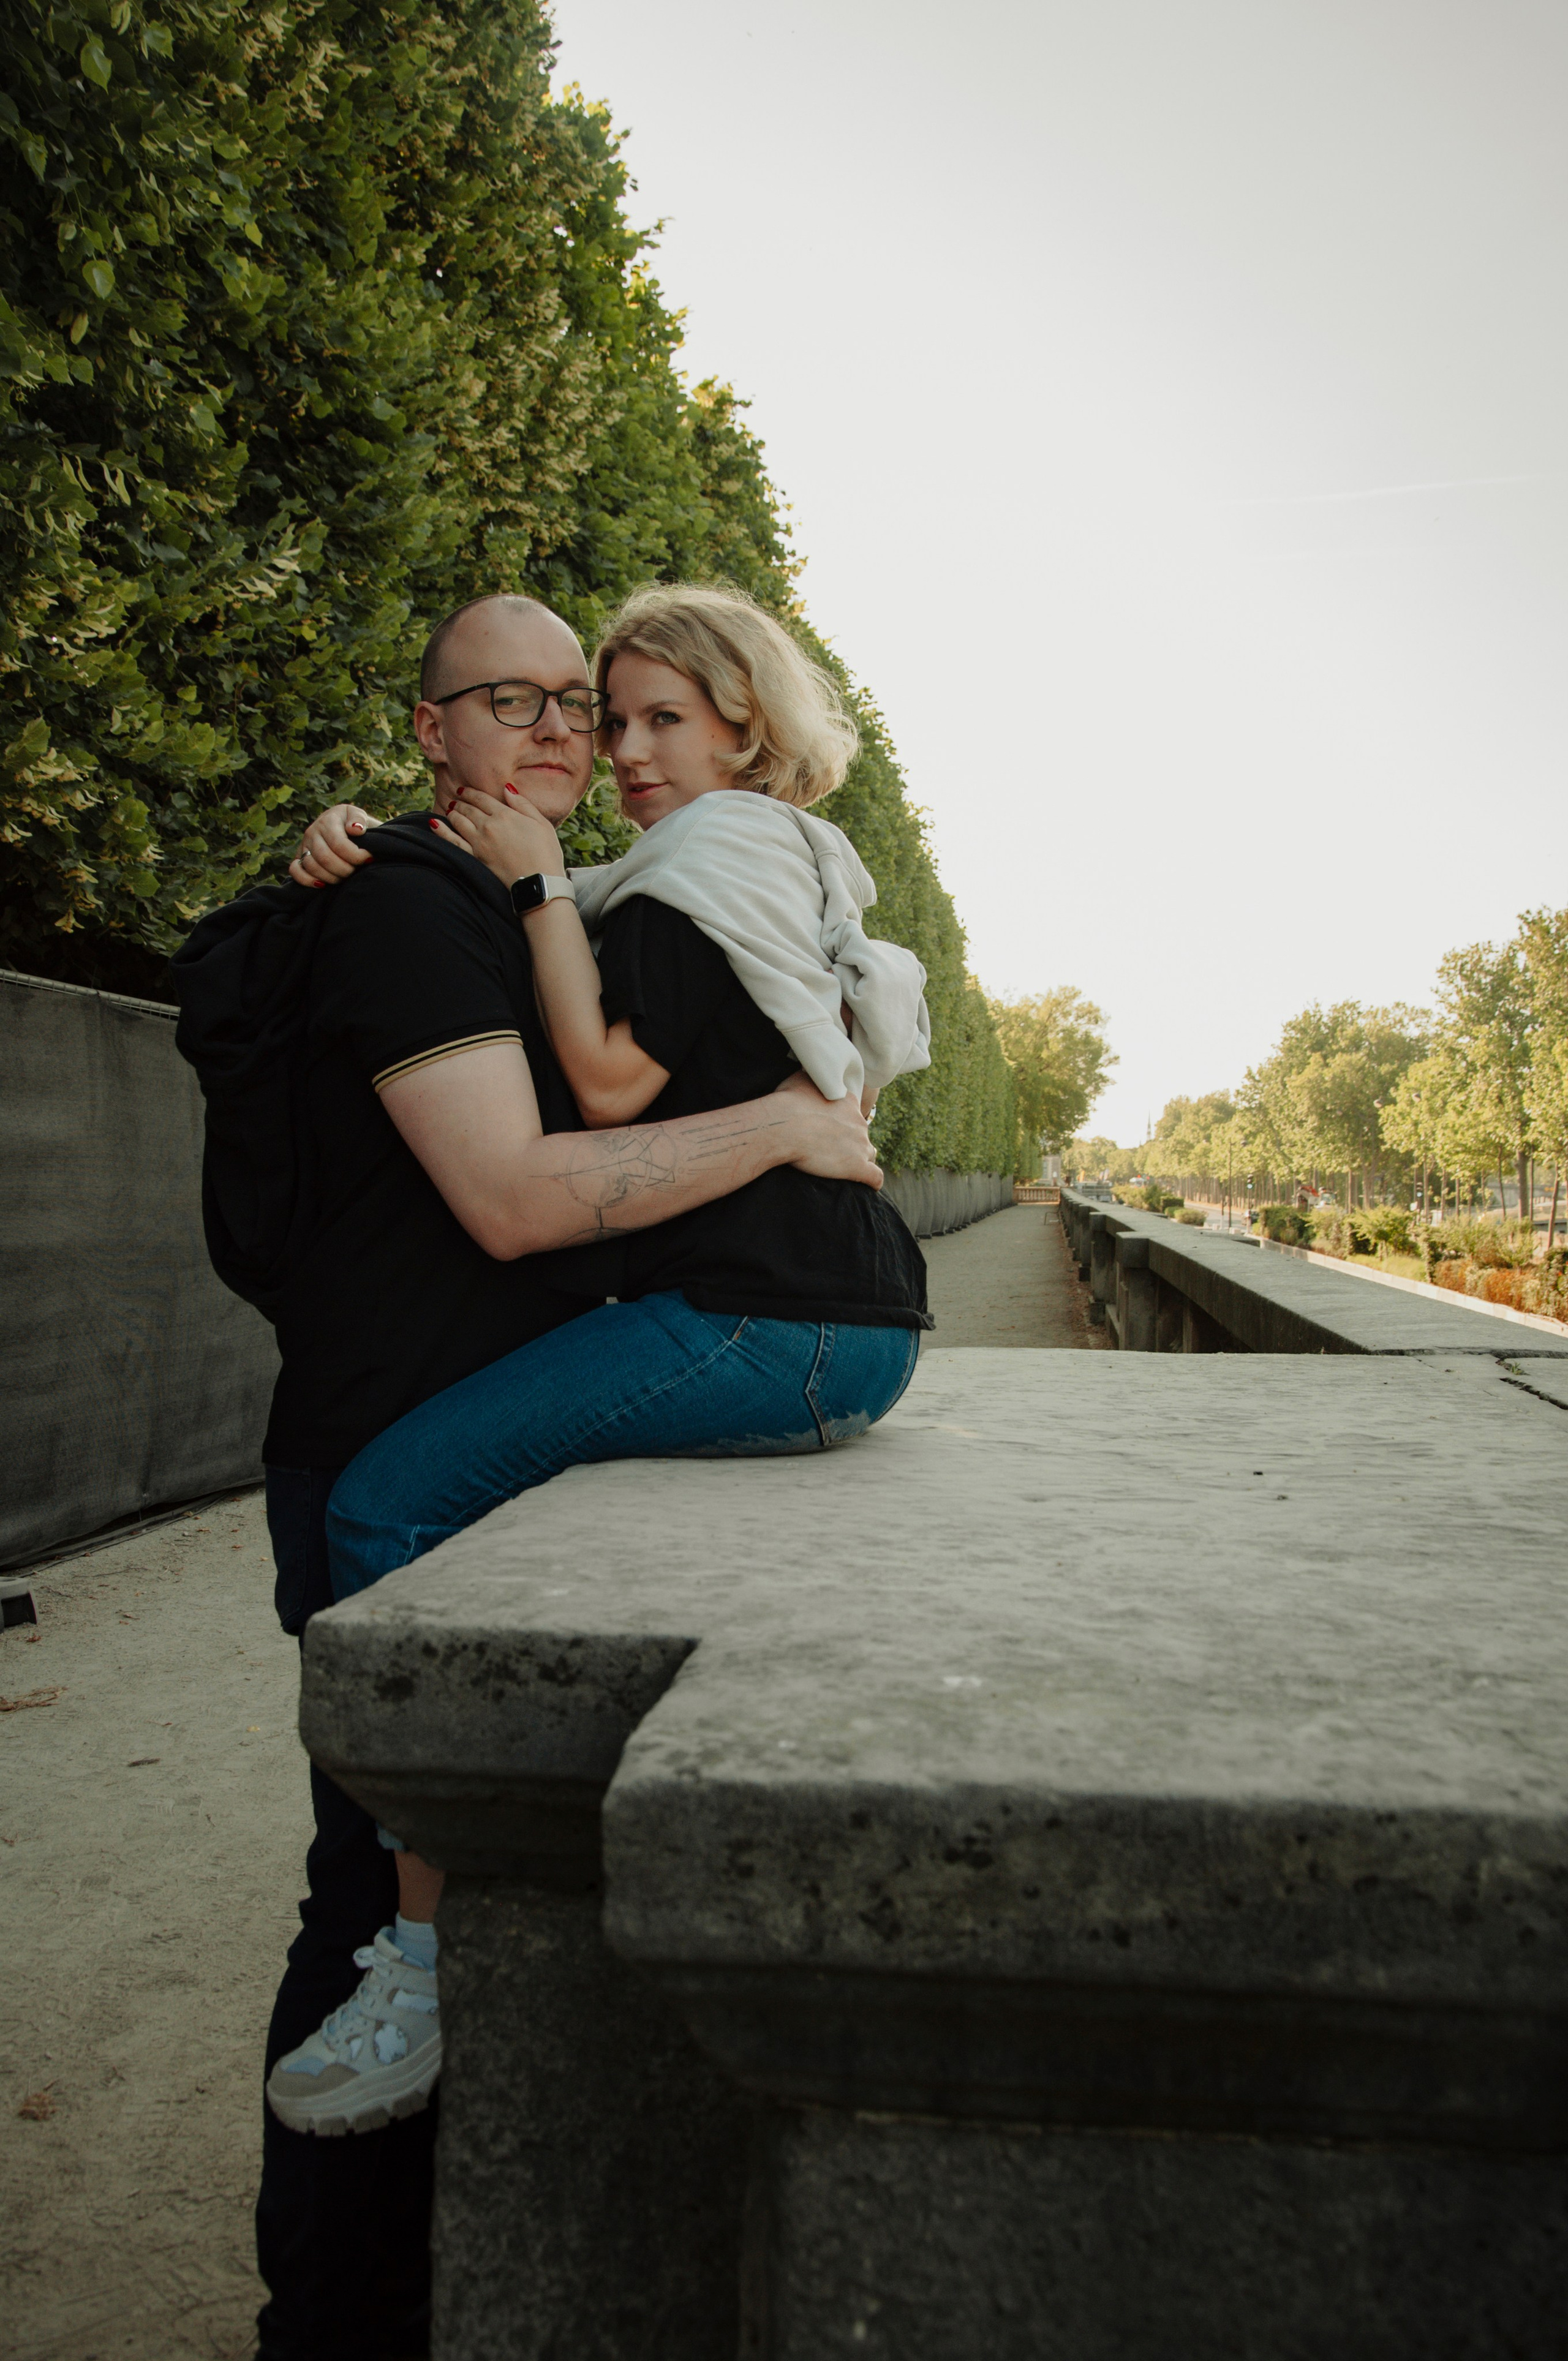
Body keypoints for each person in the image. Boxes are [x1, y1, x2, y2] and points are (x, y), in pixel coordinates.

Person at [175, 589, 881, 2361]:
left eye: (588, 702)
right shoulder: (417, 910)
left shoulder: (541, 890)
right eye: (517, 700)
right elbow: (511, 1194)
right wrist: (799, 1126)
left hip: (476, 1430)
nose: (569, 731)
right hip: (401, 1452)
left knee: (431, 1911)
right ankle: (331, 2329)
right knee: (374, 1919)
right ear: (431, 732)